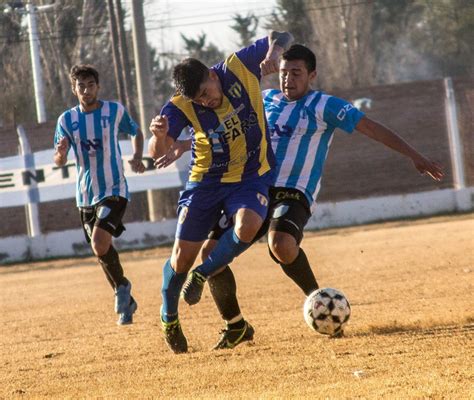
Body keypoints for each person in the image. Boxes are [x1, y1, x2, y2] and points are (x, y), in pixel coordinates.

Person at [155, 44, 444, 349]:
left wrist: (415, 155)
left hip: (294, 191)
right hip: (254, 187)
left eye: (296, 73)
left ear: (312, 75)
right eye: (283, 72)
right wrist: (183, 146)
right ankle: (235, 325)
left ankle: (322, 304)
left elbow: (370, 127)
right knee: (210, 251)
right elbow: (227, 132)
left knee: (280, 244)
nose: (288, 79)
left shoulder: (325, 105)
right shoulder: (263, 99)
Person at [148, 32, 294, 353]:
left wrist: (273, 51)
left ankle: (202, 276)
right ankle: (169, 316)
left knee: (249, 225)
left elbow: (281, 34)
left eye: (206, 92)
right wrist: (158, 137)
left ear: (213, 75)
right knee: (181, 258)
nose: (206, 101)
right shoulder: (179, 105)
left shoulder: (238, 66)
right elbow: (158, 147)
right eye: (198, 100)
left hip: (252, 176)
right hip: (207, 181)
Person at [54, 64, 145, 325]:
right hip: (85, 196)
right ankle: (125, 296)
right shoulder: (66, 120)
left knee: (99, 242)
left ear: (98, 86)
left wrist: (137, 157)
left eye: (90, 85)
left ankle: (121, 290)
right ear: (74, 89)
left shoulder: (113, 110)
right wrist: (60, 152)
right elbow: (59, 159)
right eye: (81, 86)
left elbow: (135, 131)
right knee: (101, 249)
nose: (86, 90)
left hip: (114, 189)